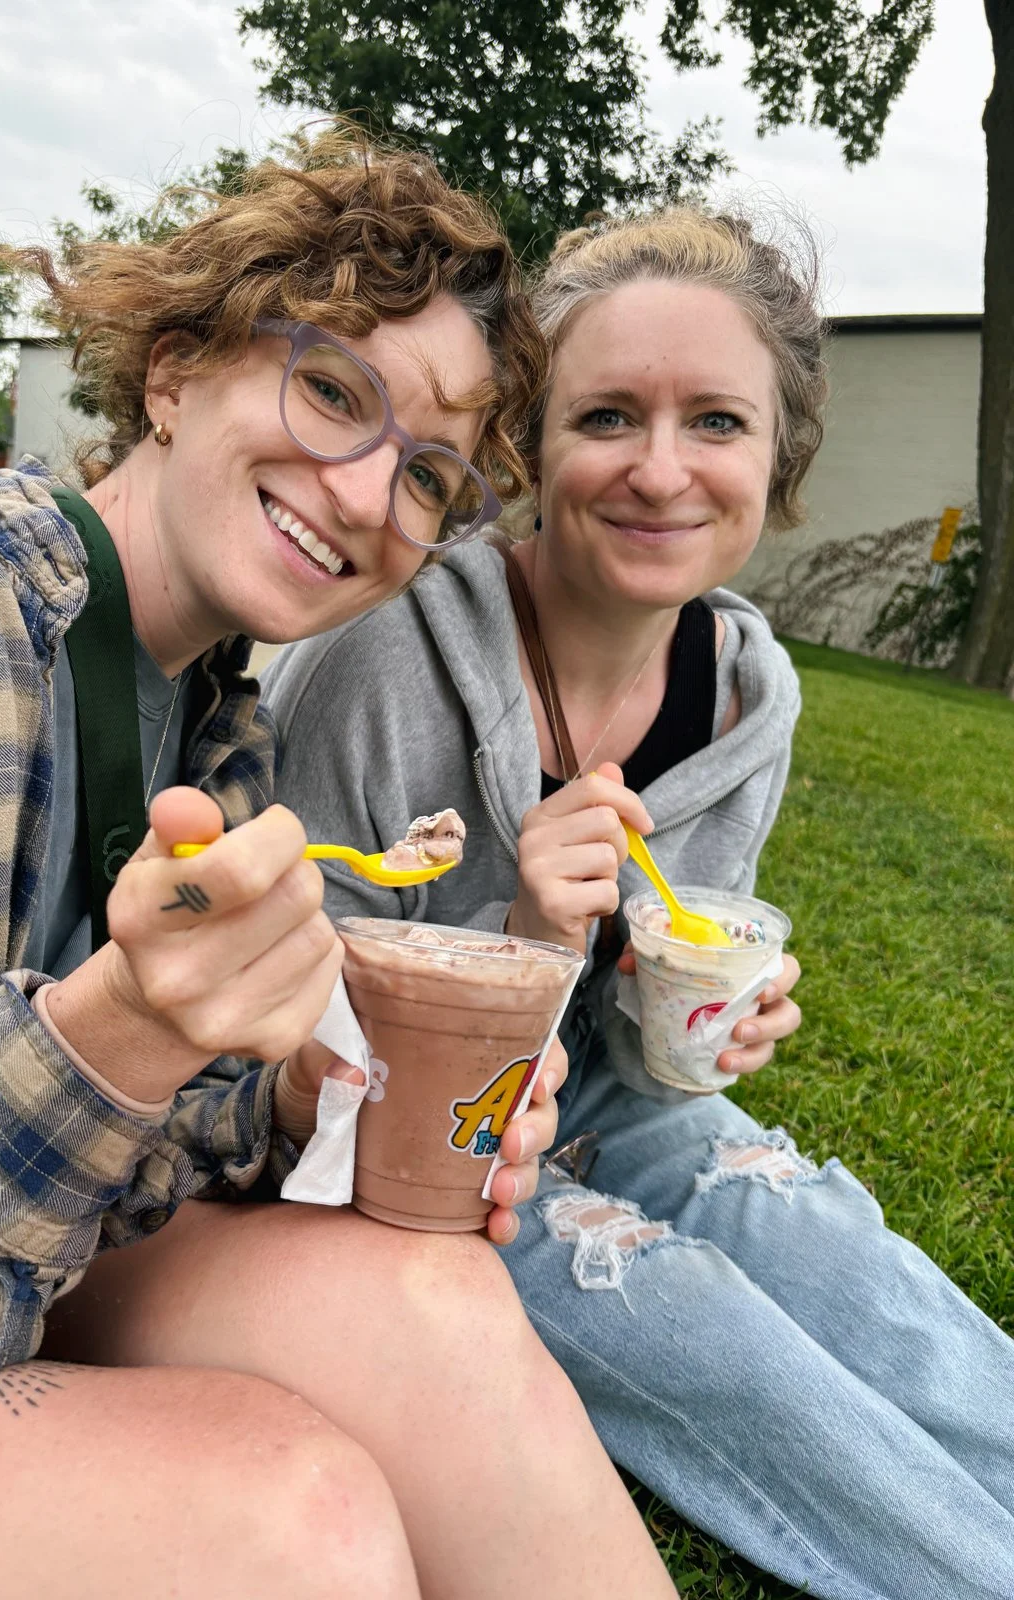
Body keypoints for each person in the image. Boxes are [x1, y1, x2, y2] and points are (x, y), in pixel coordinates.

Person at [0, 138, 676, 1600]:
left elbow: (148, 1149)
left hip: (3, 1263)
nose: (362, 496)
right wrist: (115, 1037)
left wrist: (291, 1098)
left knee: (438, 1305)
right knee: (299, 1524)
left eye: (427, 475)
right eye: (333, 390)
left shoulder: (221, 731)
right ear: (174, 368)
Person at [265, 206, 1014, 1598]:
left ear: (777, 460)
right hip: (412, 1158)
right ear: (533, 445)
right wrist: (524, 942)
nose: (661, 471)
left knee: (833, 1252)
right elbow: (288, 1054)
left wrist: (703, 1023)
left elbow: (643, 1036)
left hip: (604, 1097)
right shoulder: (380, 649)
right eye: (608, 414)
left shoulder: (744, 698)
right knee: (717, 1339)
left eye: (716, 422)